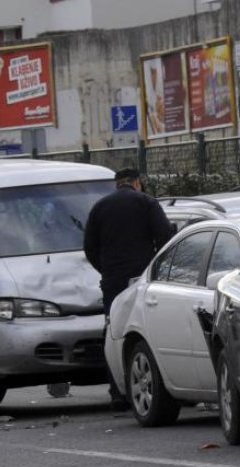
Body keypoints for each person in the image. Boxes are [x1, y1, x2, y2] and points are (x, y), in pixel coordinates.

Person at [84, 168, 174, 410]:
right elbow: (166, 237)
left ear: (117, 185)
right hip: (142, 277)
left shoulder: (99, 208)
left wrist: (106, 269)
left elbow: (89, 248)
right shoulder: (147, 202)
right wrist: (154, 266)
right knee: (145, 330)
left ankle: (117, 391)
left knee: (114, 330)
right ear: (137, 182)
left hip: (113, 280)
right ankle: (153, 386)